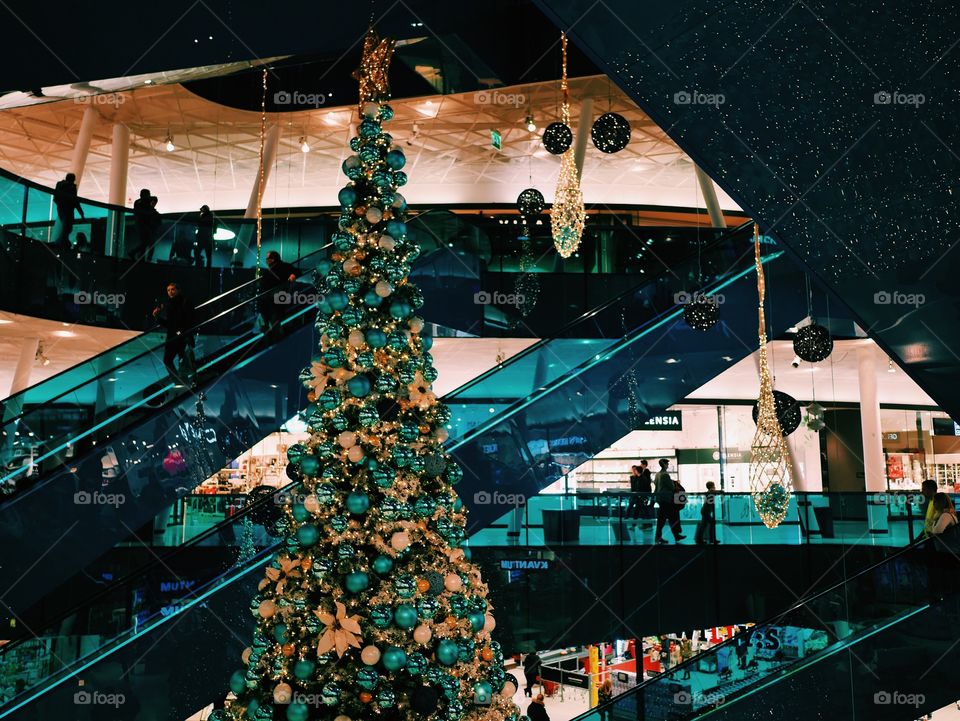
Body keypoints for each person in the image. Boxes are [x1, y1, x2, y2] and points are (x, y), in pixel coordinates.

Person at [152, 282, 196, 384]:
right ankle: (179, 381)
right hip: (173, 336)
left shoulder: (184, 301)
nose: (170, 292)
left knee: (179, 360)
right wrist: (157, 317)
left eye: (173, 289)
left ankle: (180, 381)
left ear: (178, 290)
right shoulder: (169, 303)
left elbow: (188, 320)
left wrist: (181, 332)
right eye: (168, 290)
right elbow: (170, 324)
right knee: (171, 360)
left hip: (180, 336)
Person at [259, 250, 299, 334]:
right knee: (271, 320)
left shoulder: (282, 267)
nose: (266, 260)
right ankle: (275, 336)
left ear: (273, 259)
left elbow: (297, 271)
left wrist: (293, 275)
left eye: (268, 258)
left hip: (277, 298)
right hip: (271, 299)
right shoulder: (268, 270)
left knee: (274, 319)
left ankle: (277, 336)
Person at [655, 459, 684, 544]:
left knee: (666, 518)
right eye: (667, 463)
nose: (668, 465)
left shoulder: (657, 474)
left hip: (660, 499)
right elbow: (671, 487)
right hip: (666, 500)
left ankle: (676, 536)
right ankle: (660, 537)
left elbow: (656, 485)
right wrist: (676, 484)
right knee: (666, 519)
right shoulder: (665, 475)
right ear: (664, 464)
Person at [53, 172, 84, 250]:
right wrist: (81, 213)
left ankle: (61, 242)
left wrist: (60, 204)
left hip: (61, 209)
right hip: (68, 210)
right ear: (73, 179)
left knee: (66, 227)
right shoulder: (72, 187)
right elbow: (75, 201)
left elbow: (56, 198)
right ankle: (62, 243)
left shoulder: (59, 185)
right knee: (67, 227)